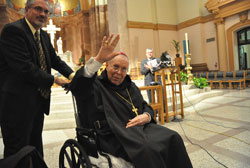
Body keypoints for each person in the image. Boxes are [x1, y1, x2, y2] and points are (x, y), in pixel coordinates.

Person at [70, 35, 193, 168]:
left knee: (174, 137)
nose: (119, 72)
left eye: (124, 69)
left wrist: (146, 116)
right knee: (148, 150)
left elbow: (145, 106)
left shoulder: (130, 86)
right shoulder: (95, 85)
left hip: (140, 129)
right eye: (115, 67)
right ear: (106, 65)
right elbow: (78, 85)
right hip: (113, 134)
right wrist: (98, 59)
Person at [0, 0, 74, 161]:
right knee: (17, 151)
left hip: (37, 101)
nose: (42, 14)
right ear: (26, 10)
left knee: (34, 147)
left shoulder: (44, 35)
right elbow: (24, 67)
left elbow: (55, 60)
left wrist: (73, 76)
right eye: (38, 9)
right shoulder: (13, 31)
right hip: (16, 104)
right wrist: (55, 80)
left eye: (46, 11)